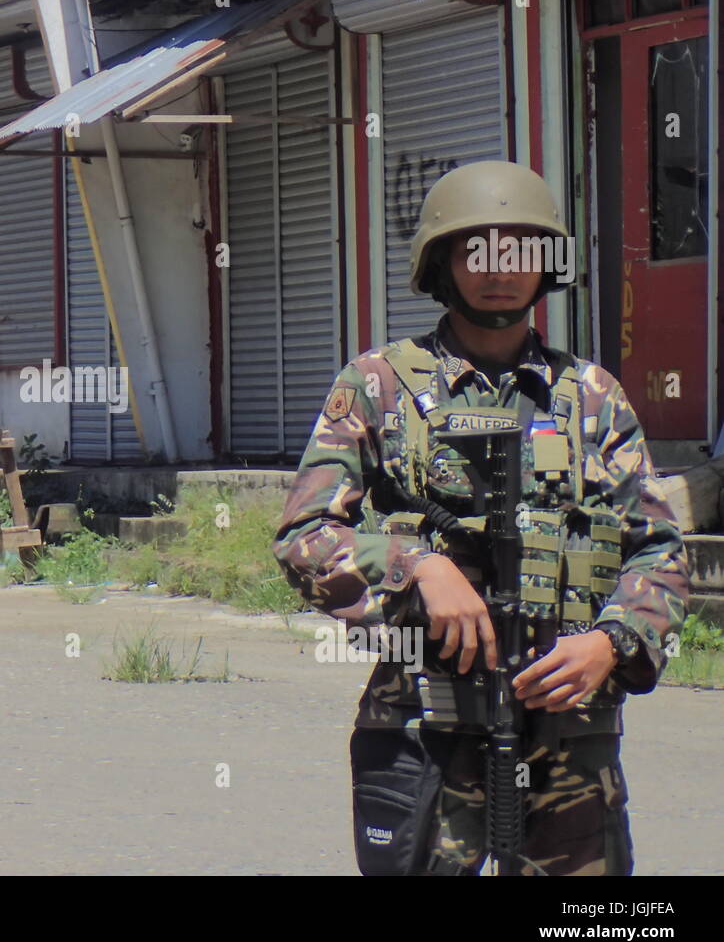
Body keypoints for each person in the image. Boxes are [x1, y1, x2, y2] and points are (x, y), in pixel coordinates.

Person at [273, 161, 687, 876]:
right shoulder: (378, 385)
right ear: (441, 261)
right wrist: (415, 566)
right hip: (428, 724)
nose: (501, 272)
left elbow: (659, 552)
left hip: (569, 734)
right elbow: (303, 538)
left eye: (521, 251)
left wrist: (611, 643)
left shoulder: (593, 398)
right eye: (478, 251)